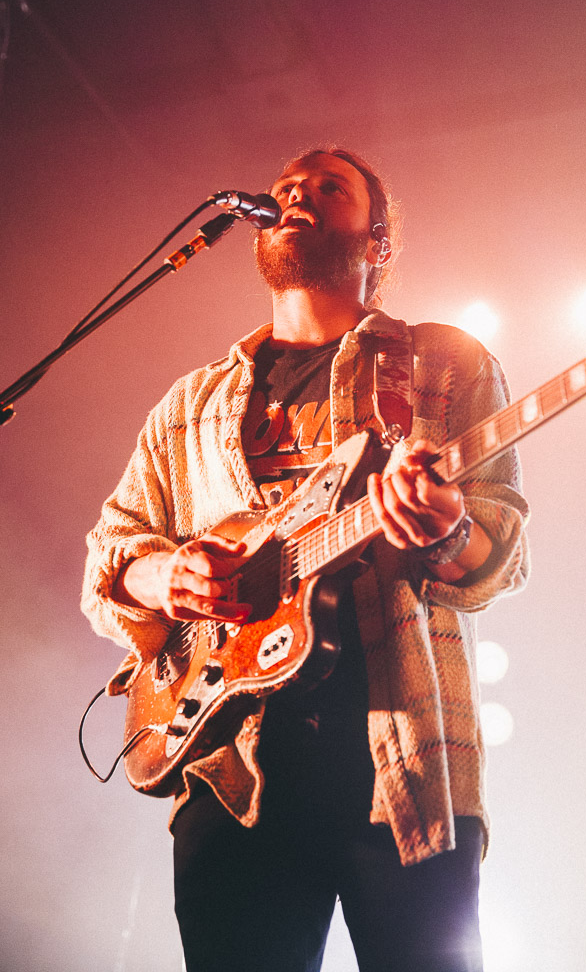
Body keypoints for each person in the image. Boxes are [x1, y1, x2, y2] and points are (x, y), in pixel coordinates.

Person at [82, 147, 530, 972]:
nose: (295, 196)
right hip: (230, 768)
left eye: (329, 188)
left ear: (378, 242)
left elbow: (498, 552)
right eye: (287, 187)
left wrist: (444, 525)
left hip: (404, 765)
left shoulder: (444, 362)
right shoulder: (190, 404)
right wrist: (167, 575)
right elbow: (108, 557)